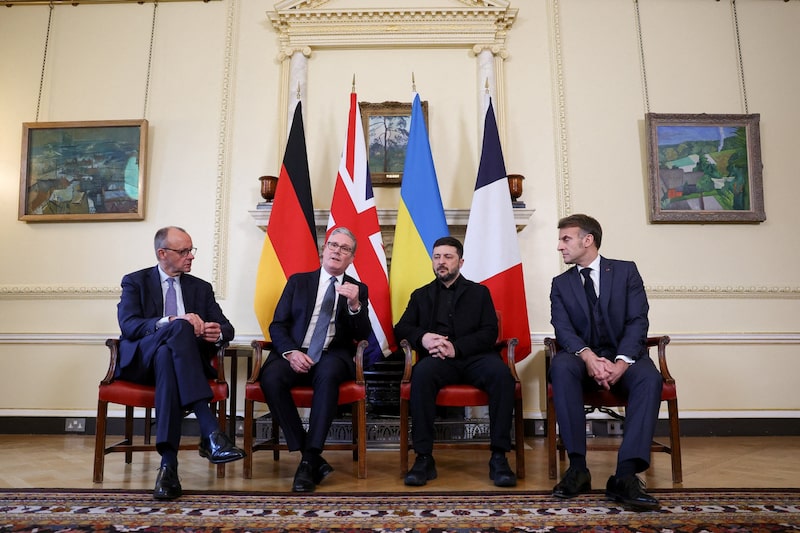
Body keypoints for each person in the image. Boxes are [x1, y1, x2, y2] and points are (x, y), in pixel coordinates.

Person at [116, 226, 245, 501]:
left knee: (167, 356)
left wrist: (217, 333)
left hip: (176, 367)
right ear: (162, 253)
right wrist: (173, 321)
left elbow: (228, 328)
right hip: (143, 364)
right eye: (184, 251)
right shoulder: (135, 282)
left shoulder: (200, 288)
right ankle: (210, 431)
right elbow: (128, 326)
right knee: (179, 328)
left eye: (191, 250)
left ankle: (168, 467)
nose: (191, 256)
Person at [549, 214, 662, 510]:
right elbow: (563, 329)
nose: (559, 246)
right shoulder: (560, 284)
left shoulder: (626, 272)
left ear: (588, 240)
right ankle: (577, 469)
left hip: (625, 356)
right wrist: (587, 356)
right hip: (582, 359)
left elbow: (638, 320)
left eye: (565, 239)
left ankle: (625, 475)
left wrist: (622, 362)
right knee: (560, 366)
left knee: (650, 377)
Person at [394, 236, 517, 488]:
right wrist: (424, 338)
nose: (441, 262)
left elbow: (489, 332)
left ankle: (499, 457)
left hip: (476, 357)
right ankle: (424, 458)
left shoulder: (479, 292)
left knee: (502, 376)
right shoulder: (420, 295)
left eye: (448, 257)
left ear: (460, 262)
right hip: (437, 360)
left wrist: (456, 348)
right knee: (421, 375)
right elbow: (402, 328)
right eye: (437, 257)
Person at [259, 227, 371, 492]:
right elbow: (278, 324)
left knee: (328, 374)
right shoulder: (298, 282)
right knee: (270, 377)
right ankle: (309, 456)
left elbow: (362, 334)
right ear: (324, 249)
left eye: (345, 248)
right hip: (295, 350)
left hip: (332, 354)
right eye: (333, 245)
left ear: (352, 258)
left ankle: (309, 459)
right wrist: (291, 352)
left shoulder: (357, 289)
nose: (337, 251)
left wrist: (355, 305)